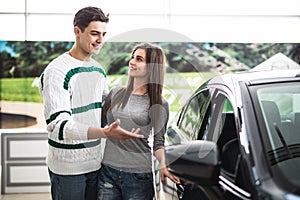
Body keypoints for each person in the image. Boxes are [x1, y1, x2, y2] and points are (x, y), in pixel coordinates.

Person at [38, 6, 143, 200]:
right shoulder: (57, 71)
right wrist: (104, 133)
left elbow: (104, 110)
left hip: (96, 163)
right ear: (77, 31)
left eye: (103, 34)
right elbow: (58, 126)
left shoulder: (97, 69)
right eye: (94, 33)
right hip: (68, 168)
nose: (100, 40)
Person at [98, 42, 180, 200]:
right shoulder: (115, 94)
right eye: (132, 57)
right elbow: (100, 126)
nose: (132, 62)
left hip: (139, 177)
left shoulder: (159, 103)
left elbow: (158, 143)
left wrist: (163, 164)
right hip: (108, 172)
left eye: (139, 59)